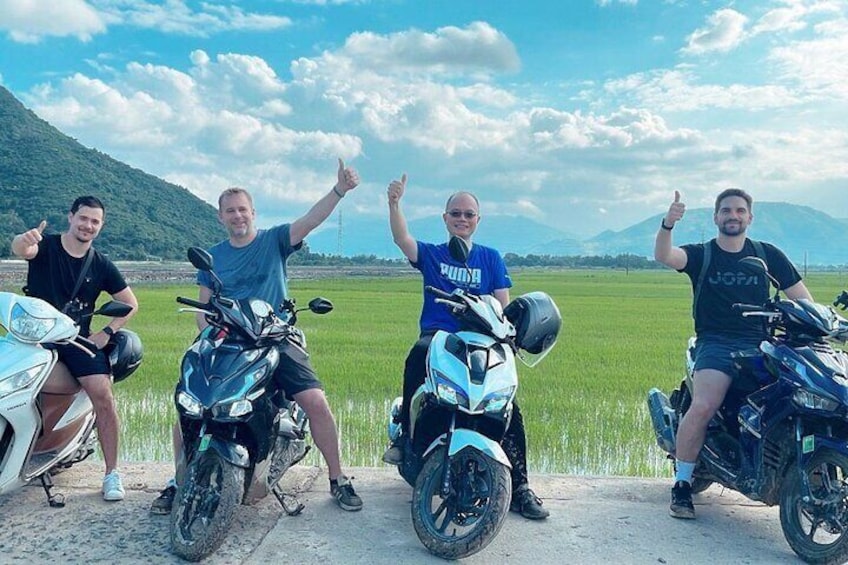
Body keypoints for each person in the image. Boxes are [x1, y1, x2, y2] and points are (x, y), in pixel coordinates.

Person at [151, 158, 363, 513]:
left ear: (253, 213)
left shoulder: (274, 241)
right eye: (230, 211)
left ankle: (338, 478)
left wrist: (339, 190)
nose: (238, 216)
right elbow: (204, 310)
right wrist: (208, 336)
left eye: (243, 210)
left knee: (315, 401)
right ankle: (180, 480)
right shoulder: (213, 257)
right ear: (221, 217)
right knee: (189, 408)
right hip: (226, 340)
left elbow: (310, 221)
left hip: (273, 337)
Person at [381, 173, 549, 520]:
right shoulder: (434, 254)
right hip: (440, 338)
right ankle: (407, 444)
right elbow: (402, 239)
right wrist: (394, 203)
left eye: (468, 214)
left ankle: (520, 487)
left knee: (507, 408)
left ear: (477, 220)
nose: (461, 219)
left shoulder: (490, 258)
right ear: (445, 219)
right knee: (416, 359)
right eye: (455, 213)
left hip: (483, 342)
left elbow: (503, 306)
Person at [654, 188, 812, 519]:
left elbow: (803, 300)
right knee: (704, 404)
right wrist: (668, 225)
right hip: (716, 342)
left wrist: (820, 322)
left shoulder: (768, 255)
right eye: (726, 211)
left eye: (740, 211)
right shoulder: (703, 255)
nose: (733, 216)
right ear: (716, 217)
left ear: (749, 218)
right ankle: (682, 485)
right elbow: (665, 257)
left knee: (796, 397)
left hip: (762, 344)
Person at [11, 196, 139, 501]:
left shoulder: (101, 263)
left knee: (103, 394)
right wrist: (23, 239)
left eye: (95, 221)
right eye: (84, 218)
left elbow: (131, 304)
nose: (88, 225)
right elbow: (23, 250)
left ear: (101, 226)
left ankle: (111, 473)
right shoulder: (47, 247)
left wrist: (107, 332)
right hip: (35, 336)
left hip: (75, 340)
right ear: (71, 217)